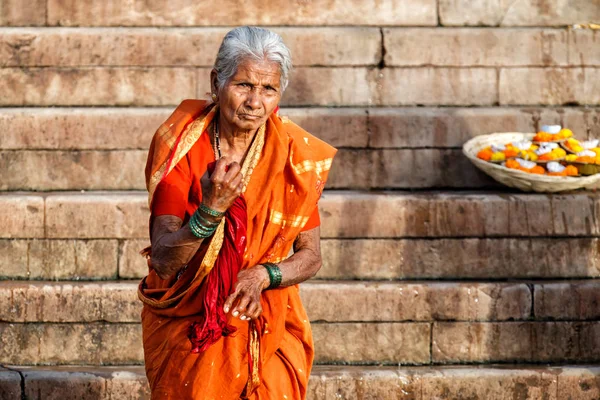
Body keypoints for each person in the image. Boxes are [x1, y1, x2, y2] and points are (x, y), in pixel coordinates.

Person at [138, 26, 337, 399]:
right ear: (216, 83)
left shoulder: (291, 155)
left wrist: (265, 274)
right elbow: (163, 259)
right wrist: (210, 211)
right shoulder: (184, 145)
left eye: (268, 89)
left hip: (267, 320)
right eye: (244, 85)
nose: (255, 102)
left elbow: (311, 257)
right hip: (192, 319)